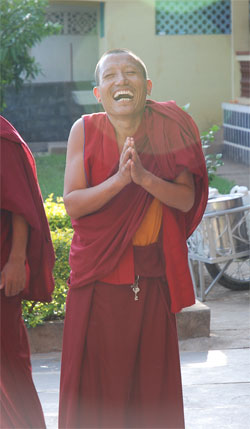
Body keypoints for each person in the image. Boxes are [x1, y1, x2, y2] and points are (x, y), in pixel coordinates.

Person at [59, 48, 208, 429]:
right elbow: (73, 203)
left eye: (130, 73)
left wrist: (144, 179)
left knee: (152, 393)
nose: (121, 80)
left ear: (148, 86)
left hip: (151, 277)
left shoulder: (167, 127)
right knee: (94, 393)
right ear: (98, 92)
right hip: (98, 280)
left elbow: (186, 197)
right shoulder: (85, 129)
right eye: (110, 75)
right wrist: (121, 180)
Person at [0, 116, 55, 428]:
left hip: (2, 269)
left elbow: (19, 204)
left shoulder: (1, 137)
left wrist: (17, 259)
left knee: (10, 366)